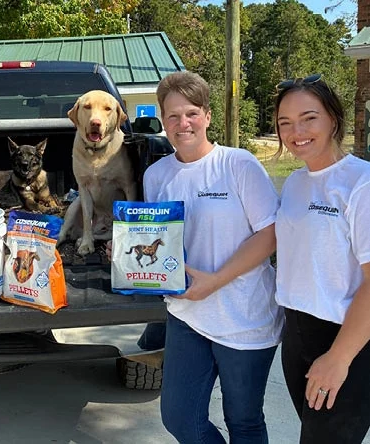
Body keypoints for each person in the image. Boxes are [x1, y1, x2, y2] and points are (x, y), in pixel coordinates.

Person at [144, 70, 284, 443]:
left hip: (243, 318)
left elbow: (270, 234)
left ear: (207, 115)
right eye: (172, 116)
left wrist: (215, 281)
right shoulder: (156, 176)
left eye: (190, 113)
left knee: (244, 421)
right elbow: (156, 237)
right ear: (162, 121)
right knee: (180, 419)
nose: (182, 123)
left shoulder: (238, 165)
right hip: (186, 315)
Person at [273, 74, 370, 443]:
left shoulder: (361, 184)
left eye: (308, 117)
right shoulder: (296, 182)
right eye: (285, 123)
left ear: (333, 117)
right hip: (296, 334)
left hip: (346, 338)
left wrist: (339, 358)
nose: (296, 131)